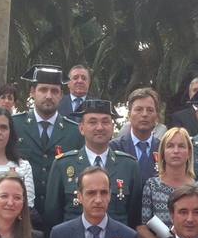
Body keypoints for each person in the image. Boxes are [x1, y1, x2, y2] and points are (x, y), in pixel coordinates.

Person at [44, 99, 142, 231]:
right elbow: (52, 217)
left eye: (105, 122)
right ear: (81, 128)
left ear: (113, 128)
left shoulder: (129, 166)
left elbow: (134, 218)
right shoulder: (63, 165)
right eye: (92, 122)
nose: (100, 127)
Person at [12, 65, 84, 209]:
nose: (49, 96)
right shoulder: (14, 125)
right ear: (32, 92)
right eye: (43, 90)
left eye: (54, 91)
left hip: (61, 211)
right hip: (20, 211)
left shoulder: (75, 132)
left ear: (61, 95)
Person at [137, 127, 198, 238]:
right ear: (163, 153)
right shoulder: (152, 186)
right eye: (170, 146)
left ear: (189, 152)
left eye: (181, 146)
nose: (176, 151)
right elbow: (143, 228)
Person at [110, 87, 165, 180]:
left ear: (157, 116)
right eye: (139, 109)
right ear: (129, 115)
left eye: (150, 110)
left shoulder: (163, 149)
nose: (144, 114)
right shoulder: (114, 148)